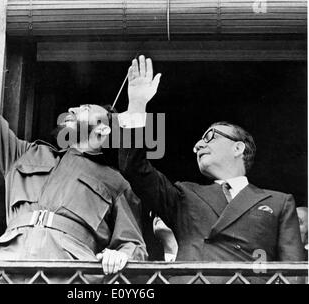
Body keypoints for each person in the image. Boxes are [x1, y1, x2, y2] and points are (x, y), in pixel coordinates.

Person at [0, 3, 147, 282]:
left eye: (84, 108)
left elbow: (134, 246)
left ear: (103, 129)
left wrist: (120, 254)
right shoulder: (24, 155)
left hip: (68, 275)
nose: (72, 110)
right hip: (4, 269)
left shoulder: (115, 182)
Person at [118, 55, 305, 283]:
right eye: (199, 141)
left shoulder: (279, 202)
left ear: (238, 147)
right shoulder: (184, 195)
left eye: (210, 137)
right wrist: (137, 105)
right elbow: (134, 167)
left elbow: (293, 274)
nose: (198, 145)